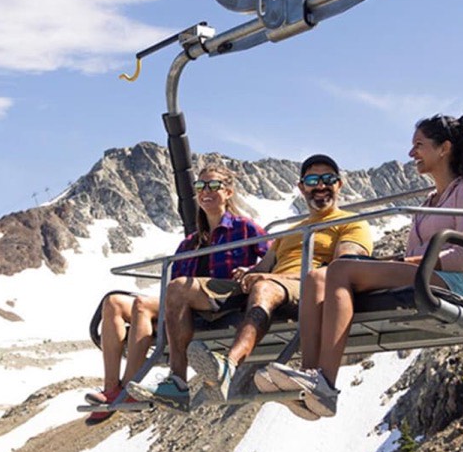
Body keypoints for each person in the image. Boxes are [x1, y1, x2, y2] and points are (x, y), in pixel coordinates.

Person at [257, 114, 463, 419]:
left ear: (444, 148)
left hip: (455, 282)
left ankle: (325, 385)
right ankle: (309, 377)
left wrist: (405, 263)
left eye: (419, 145)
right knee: (317, 278)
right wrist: (399, 263)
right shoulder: (430, 201)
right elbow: (417, 252)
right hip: (426, 275)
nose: (412, 153)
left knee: (341, 268)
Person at [131, 154, 372, 409]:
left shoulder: (350, 222)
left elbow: (342, 270)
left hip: (307, 285)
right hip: (273, 283)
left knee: (264, 287)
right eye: (313, 180)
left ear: (339, 184)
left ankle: (229, 365)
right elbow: (264, 266)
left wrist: (268, 277)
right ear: (302, 187)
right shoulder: (289, 231)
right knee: (179, 288)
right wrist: (248, 273)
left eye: (328, 179)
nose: (320, 186)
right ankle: (176, 382)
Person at [86, 163, 267, 421]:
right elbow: (174, 290)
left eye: (214, 185)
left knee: (158, 297)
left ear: (228, 191)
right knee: (115, 303)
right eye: (201, 186)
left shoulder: (244, 228)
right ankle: (112, 387)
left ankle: (129, 388)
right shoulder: (190, 242)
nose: (207, 191)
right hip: (188, 300)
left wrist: (250, 270)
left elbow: (272, 258)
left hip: (225, 295)